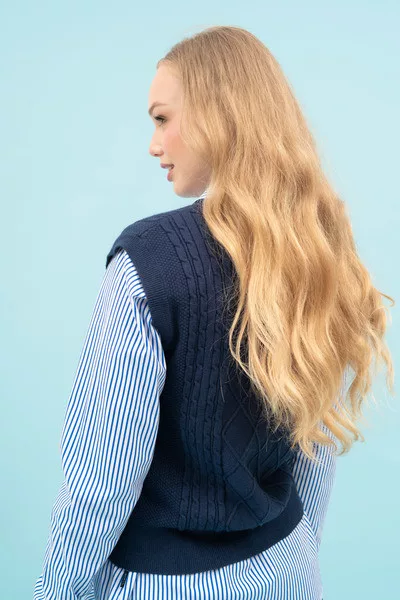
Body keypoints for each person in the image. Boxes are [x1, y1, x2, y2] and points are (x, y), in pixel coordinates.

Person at [33, 25, 394, 600]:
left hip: (164, 584)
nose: (153, 145)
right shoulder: (318, 249)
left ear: (215, 115)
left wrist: (56, 591)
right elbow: (315, 441)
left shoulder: (148, 261)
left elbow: (102, 479)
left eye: (162, 119)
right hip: (287, 567)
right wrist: (299, 550)